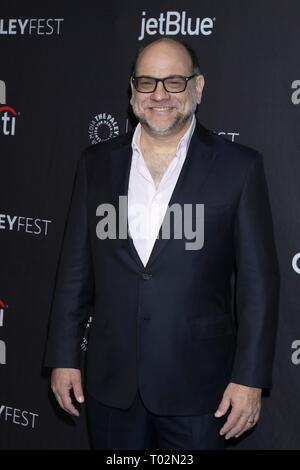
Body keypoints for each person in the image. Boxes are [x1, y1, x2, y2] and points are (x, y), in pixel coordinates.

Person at [45, 37, 279, 450]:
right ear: (132, 90)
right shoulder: (96, 164)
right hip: (111, 386)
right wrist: (64, 356)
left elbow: (258, 286)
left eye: (173, 81)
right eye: (147, 82)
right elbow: (74, 272)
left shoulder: (238, 168)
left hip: (200, 390)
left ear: (198, 87)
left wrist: (249, 378)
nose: (159, 95)